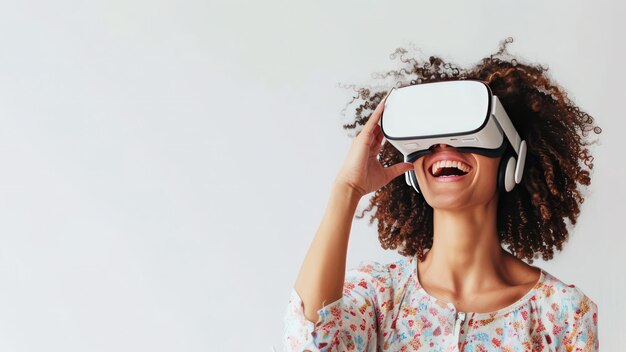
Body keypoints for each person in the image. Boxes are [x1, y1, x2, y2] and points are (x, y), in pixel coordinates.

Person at [282, 38, 600, 351]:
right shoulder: (378, 296)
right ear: (413, 171)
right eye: (429, 138)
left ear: (511, 160)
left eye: (467, 133)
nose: (443, 147)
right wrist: (347, 190)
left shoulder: (563, 314)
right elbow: (307, 344)